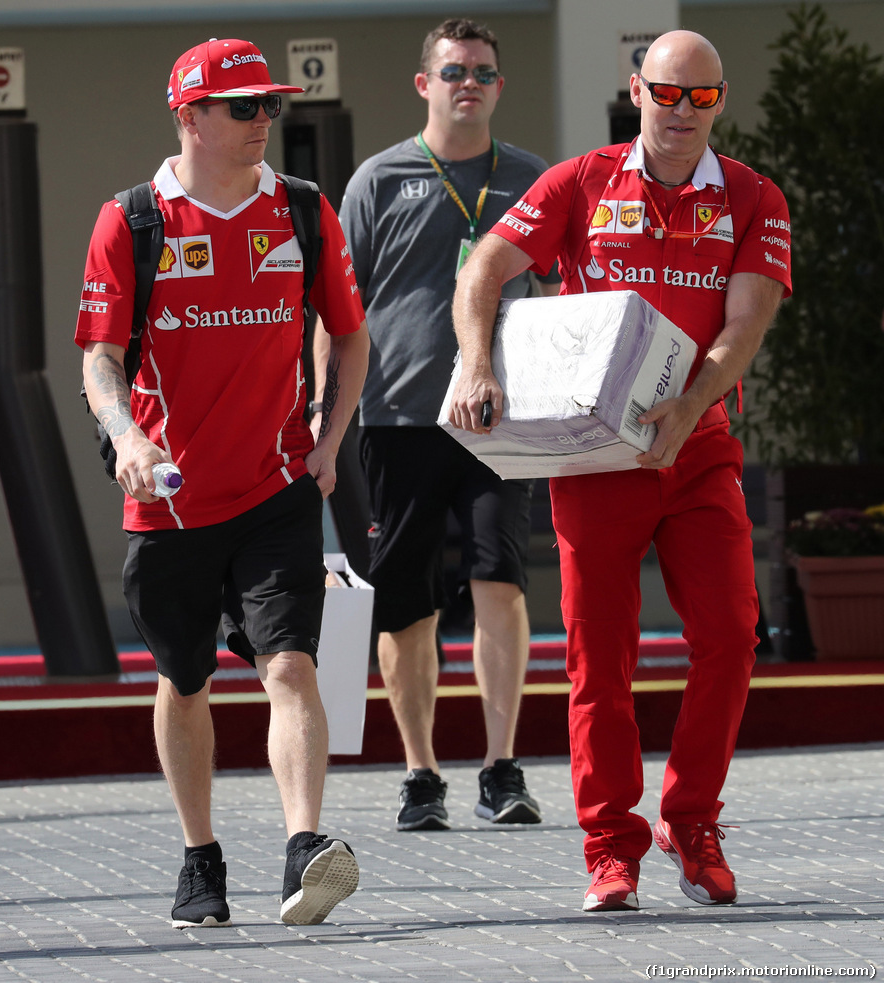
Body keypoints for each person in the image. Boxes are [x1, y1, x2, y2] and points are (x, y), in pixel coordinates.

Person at [449, 31, 791, 911]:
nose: (682, 112)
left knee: (730, 635)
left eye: (702, 98)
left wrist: (689, 405)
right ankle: (611, 845)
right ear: (634, 88)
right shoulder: (582, 181)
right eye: (667, 92)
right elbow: (485, 265)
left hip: (700, 444)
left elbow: (744, 325)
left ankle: (691, 818)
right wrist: (474, 363)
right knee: (600, 656)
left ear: (721, 101)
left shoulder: (754, 197)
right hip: (595, 455)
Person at [76, 38, 369, 928]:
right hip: (167, 498)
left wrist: (327, 441)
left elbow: (350, 335)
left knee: (291, 665)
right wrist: (123, 434)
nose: (261, 123)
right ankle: (200, 856)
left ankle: (304, 847)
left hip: (278, 487)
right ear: (189, 116)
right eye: (243, 107)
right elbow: (99, 356)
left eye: (269, 106)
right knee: (185, 676)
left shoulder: (306, 212)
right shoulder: (133, 221)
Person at [319, 18, 557, 833]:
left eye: (484, 73)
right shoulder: (378, 179)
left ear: (499, 86)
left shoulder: (531, 178)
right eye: (454, 71)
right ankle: (421, 772)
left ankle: (501, 764)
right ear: (424, 84)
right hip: (398, 416)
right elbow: (337, 310)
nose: (470, 84)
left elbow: (568, 291)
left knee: (501, 578)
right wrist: (323, 416)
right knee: (404, 600)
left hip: (503, 418)